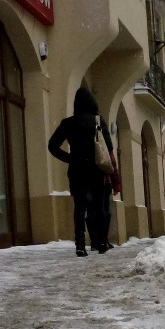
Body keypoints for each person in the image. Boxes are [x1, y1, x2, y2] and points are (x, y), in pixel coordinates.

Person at [48, 88, 117, 256]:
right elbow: (109, 146)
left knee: (80, 207)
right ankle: (101, 242)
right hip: (96, 169)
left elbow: (52, 146)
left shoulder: (68, 123)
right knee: (99, 206)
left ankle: (80, 244)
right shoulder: (98, 121)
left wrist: (70, 158)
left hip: (77, 169)